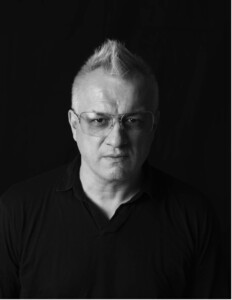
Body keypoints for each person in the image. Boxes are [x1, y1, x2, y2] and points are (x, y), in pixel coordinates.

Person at [0, 40, 223, 298]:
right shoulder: (17, 212)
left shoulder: (194, 217)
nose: (117, 139)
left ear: (153, 126)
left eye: (133, 120)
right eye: (99, 120)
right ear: (74, 125)